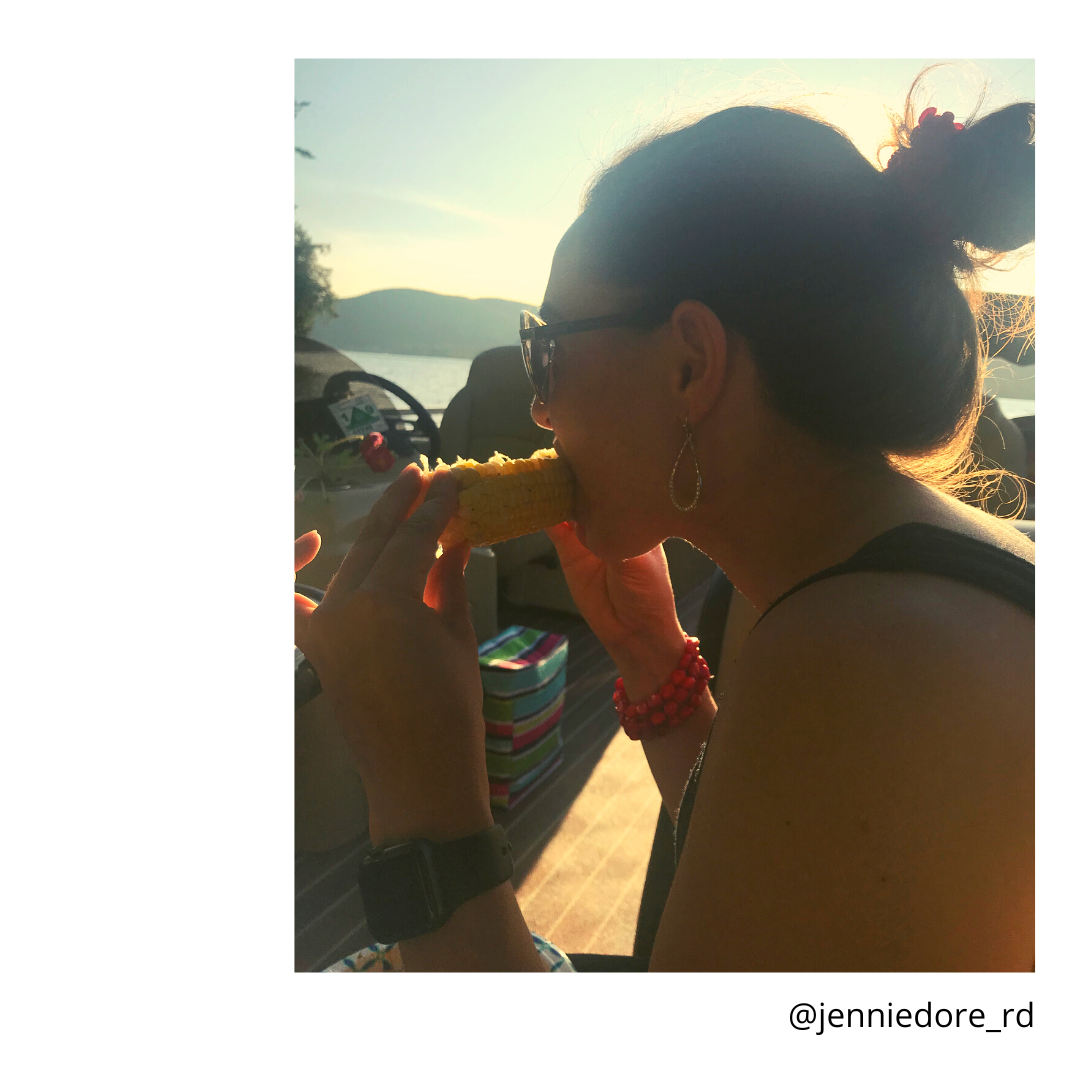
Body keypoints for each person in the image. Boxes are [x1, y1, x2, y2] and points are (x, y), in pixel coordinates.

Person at [294, 76, 1035, 972]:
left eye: (549, 349)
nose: (538, 409)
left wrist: (419, 793)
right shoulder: (842, 585)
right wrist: (654, 660)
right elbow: (786, 893)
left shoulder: (867, 650)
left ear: (692, 363)